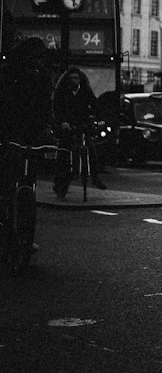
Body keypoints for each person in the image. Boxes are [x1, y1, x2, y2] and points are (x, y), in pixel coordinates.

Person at [0, 38, 53, 230]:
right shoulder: (8, 72)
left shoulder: (43, 76)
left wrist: (46, 129)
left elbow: (46, 106)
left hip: (31, 131)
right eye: (33, 58)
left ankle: (25, 228)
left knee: (29, 176)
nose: (36, 62)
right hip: (8, 129)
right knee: (7, 172)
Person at [52, 65, 106, 195]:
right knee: (63, 152)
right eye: (71, 78)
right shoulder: (62, 91)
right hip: (67, 125)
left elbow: (95, 104)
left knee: (91, 149)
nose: (74, 81)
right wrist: (63, 122)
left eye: (76, 78)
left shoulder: (85, 90)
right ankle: (59, 182)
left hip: (82, 124)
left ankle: (95, 177)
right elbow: (57, 108)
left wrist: (99, 118)